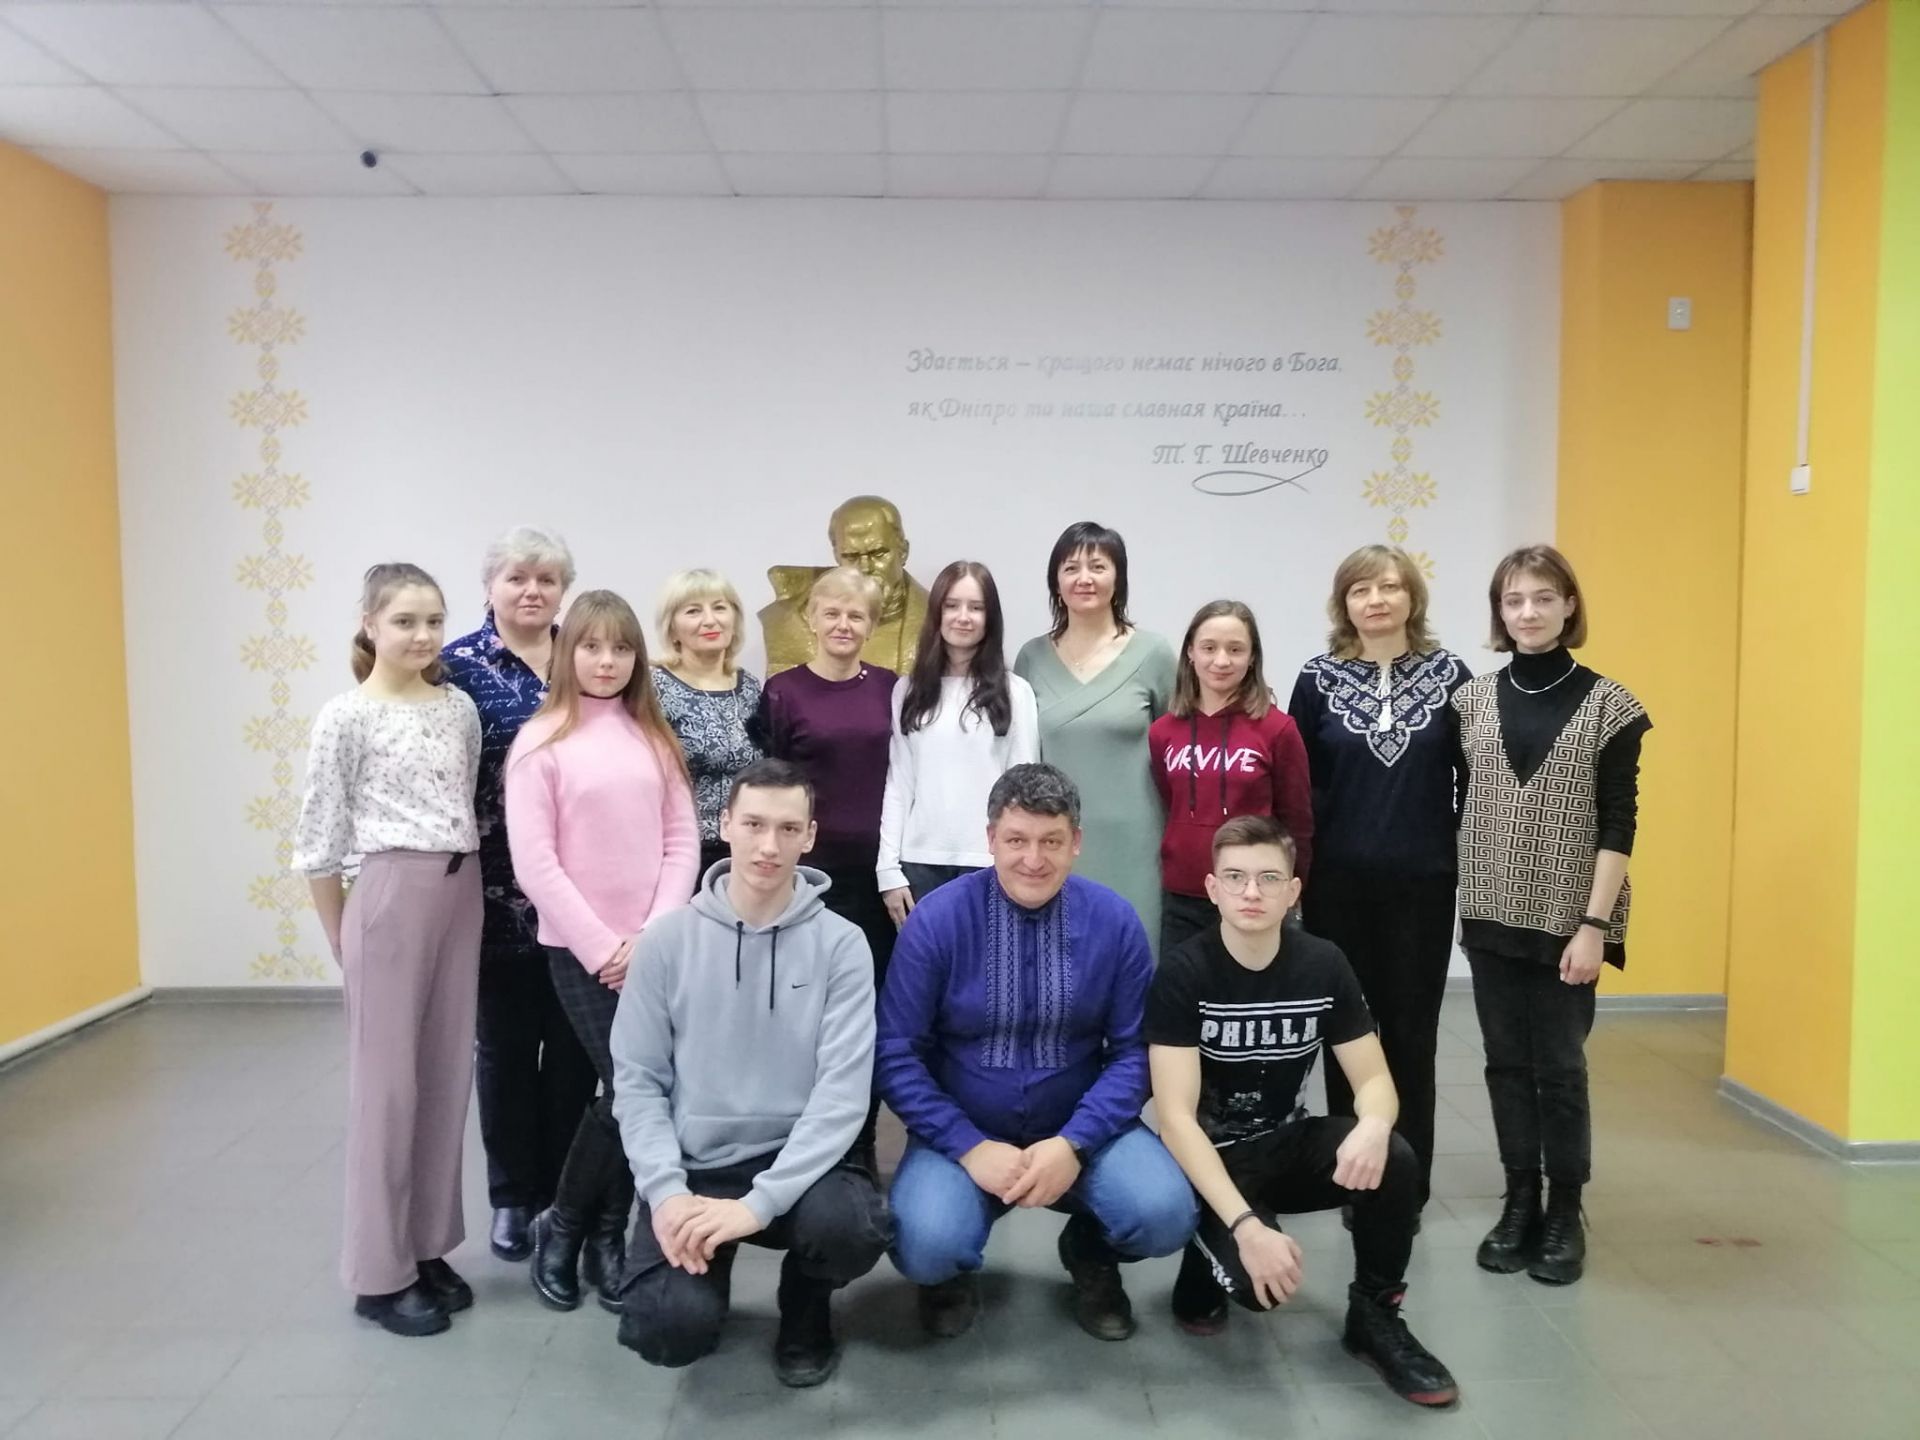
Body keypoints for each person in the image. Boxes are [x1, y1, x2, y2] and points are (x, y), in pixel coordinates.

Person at [1145, 815, 1459, 1408]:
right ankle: (1204, 1260)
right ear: (1212, 889)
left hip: (1285, 1146)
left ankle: (1375, 1316)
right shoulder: (1184, 973)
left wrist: (1373, 1125)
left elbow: (1374, 1080)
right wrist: (1246, 1227)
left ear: (1293, 891)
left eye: (1269, 878)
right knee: (1253, 1290)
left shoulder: (1323, 963)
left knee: (1394, 1157)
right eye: (1235, 878)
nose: (1252, 892)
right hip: (1210, 1163)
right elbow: (1176, 1121)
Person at [878, 763, 1197, 1343]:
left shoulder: (1115, 922)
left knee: (1164, 1214)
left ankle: (1091, 1251)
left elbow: (1135, 1053)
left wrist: (1075, 1143)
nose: (1033, 859)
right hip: (963, 1132)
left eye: (1051, 841)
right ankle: (949, 1275)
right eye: (1016, 840)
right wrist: (967, 1145)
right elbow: (896, 1053)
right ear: (990, 839)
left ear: (1076, 842)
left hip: (1082, 1129)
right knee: (925, 1243)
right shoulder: (937, 921)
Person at [609, 758, 890, 1388]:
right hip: (697, 1166)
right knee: (666, 1331)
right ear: (725, 825)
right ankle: (706, 1269)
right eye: (754, 824)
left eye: (788, 829)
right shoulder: (666, 943)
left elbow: (843, 1095)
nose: (769, 846)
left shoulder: (843, 945)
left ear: (809, 836)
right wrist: (666, 1192)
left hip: (802, 1162)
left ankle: (805, 1301)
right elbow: (638, 1083)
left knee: (853, 1230)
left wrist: (759, 1205)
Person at [292, 563, 483, 1338]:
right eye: (405, 621)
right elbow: (319, 840)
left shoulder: (459, 708)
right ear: (370, 624)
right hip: (389, 894)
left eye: (434, 620)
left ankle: (426, 1246)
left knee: (444, 1078)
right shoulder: (346, 717)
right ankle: (378, 1275)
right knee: (387, 1092)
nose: (423, 635)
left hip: (461, 892)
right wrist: (344, 936)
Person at [1455, 545, 1650, 1286]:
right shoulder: (1471, 702)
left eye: (1543, 597)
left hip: (1572, 920)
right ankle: (1520, 1203)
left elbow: (1619, 823)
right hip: (1491, 911)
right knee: (1505, 1063)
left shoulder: (1611, 706)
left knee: (1560, 1070)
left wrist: (1594, 927)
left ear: (1569, 605)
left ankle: (1566, 1210)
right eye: (1514, 600)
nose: (1528, 612)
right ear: (1499, 612)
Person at [505, 591, 698, 1313]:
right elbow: (537, 863)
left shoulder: (653, 736)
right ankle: (569, 1227)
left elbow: (681, 840)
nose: (607, 661)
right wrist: (603, 948)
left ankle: (600, 1236)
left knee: (638, 1093)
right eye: (591, 647)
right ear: (568, 653)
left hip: (654, 950)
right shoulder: (541, 742)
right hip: (582, 953)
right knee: (628, 1090)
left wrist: (653, 934)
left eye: (621, 648)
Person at [1288, 546, 1470, 1214]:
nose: (1376, 600)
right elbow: (1301, 791)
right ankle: (1352, 1171)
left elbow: (1474, 781)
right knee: (1347, 1033)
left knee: (1412, 1033)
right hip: (1337, 888)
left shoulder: (1451, 677)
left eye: (1389, 587)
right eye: (1361, 589)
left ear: (1411, 597)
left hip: (1423, 887)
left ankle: (1406, 1180)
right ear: (1344, 603)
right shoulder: (1317, 679)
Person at [440, 525, 597, 1266]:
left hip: (581, 895)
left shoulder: (587, 659)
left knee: (572, 1052)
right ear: (490, 587)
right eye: (517, 578)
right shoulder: (455, 669)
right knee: (503, 1049)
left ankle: (564, 1192)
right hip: (493, 895)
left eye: (546, 579)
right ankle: (511, 1195)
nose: (532, 591)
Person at [757, 566, 898, 1109]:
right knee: (807, 1010)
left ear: (871, 625)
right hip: (810, 879)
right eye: (832, 613)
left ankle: (859, 1137)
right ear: (811, 620)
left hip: (878, 879)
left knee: (869, 1009)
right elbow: (772, 785)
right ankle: (803, 1131)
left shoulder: (890, 688)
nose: (843, 624)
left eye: (855, 615)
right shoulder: (783, 692)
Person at [1014, 522, 1175, 950]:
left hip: (1137, 845)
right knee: (1057, 960)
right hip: (1055, 842)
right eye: (1071, 568)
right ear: (1056, 582)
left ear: (1118, 578)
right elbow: (1022, 758)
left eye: (1098, 566)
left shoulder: (1154, 654)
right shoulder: (1031, 657)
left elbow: (1179, 750)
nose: (1084, 578)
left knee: (1134, 956)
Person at [1150, 599, 1314, 957]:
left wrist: (1291, 891)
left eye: (1235, 649)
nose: (1221, 661)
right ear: (1190, 653)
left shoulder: (1278, 729)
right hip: (1183, 898)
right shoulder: (1162, 731)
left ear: (1252, 657)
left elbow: (1297, 821)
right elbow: (1169, 802)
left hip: (1254, 897)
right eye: (1209, 648)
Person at [878, 560, 1038, 923]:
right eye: (952, 605)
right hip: (919, 865)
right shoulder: (907, 690)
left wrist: (1018, 860)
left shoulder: (1016, 692)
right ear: (936, 613)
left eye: (976, 607)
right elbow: (899, 784)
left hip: (990, 863)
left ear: (990, 617)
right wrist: (888, 869)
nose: (963, 617)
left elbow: (1024, 788)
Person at [652, 568, 764, 886]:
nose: (710, 620)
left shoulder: (750, 687)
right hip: (678, 853)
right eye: (693, 611)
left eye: (719, 607)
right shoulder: (652, 687)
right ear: (672, 627)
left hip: (746, 851)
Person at [759, 495, 931, 675]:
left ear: (903, 552)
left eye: (878, 554)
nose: (865, 568)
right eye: (851, 556)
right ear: (836, 556)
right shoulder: (786, 624)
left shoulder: (937, 622)